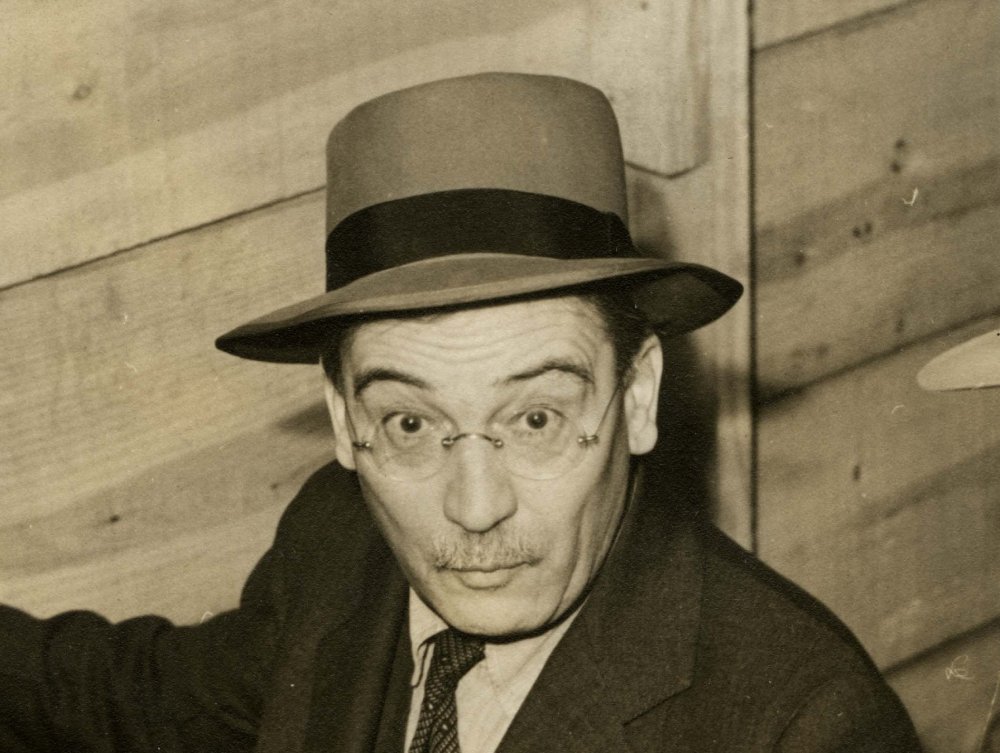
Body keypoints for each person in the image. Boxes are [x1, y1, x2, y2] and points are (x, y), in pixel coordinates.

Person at [0, 73, 919, 752]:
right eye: (409, 426)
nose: (476, 507)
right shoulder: (336, 541)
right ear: (341, 421)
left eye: (537, 420)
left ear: (638, 396)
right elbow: (138, 696)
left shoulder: (801, 723)